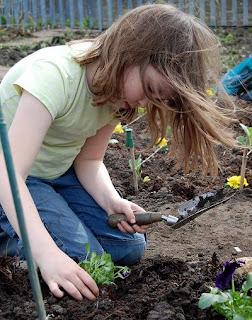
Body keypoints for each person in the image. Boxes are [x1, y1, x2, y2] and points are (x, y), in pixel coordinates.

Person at [0, 3, 236, 301]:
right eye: (149, 90)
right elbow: (9, 175)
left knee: (129, 247)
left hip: (57, 174)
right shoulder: (55, 76)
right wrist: (48, 255)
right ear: (130, 52)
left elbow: (88, 160)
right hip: (14, 179)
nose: (145, 105)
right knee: (84, 261)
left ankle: (42, 226)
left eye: (158, 100)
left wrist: (111, 201)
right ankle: (12, 237)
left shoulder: (118, 94)